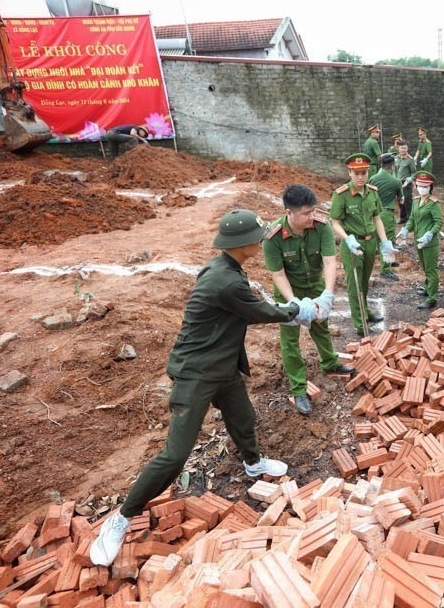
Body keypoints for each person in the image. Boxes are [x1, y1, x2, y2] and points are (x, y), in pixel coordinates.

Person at [89, 209, 306, 567]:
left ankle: (253, 463)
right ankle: (121, 518)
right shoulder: (226, 281)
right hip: (196, 373)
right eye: (258, 235)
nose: (262, 238)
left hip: (221, 367)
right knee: (175, 455)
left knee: (242, 416)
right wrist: (298, 309)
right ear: (243, 243)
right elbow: (262, 312)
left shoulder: (225, 267)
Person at [263, 186, 356, 414]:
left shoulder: (321, 227)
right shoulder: (272, 237)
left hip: (314, 285)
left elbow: (329, 262)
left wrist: (327, 295)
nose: (312, 216)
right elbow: (278, 275)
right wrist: (295, 304)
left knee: (321, 326)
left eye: (313, 211)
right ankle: (298, 387)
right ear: (289, 212)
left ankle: (330, 363)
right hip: (287, 290)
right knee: (290, 339)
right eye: (306, 213)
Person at [330, 153, 397, 337]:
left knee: (365, 282)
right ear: (349, 172)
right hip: (353, 245)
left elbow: (377, 218)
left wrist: (385, 242)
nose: (360, 177)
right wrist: (348, 239)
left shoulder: (372, 192)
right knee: (355, 285)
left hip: (370, 243)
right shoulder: (341, 194)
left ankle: (365, 312)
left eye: (364, 173)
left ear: (369, 173)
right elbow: (335, 222)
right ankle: (359, 323)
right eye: (356, 173)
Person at [396, 171, 444, 310]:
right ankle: (428, 289)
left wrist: (430, 234)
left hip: (429, 242)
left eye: (426, 186)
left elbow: (438, 222)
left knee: (431, 269)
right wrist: (405, 230)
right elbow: (412, 219)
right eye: (420, 185)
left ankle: (432, 298)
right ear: (416, 185)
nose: (423, 188)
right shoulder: (416, 200)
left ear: (430, 187)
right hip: (419, 240)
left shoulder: (434, 203)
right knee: (425, 267)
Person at [369, 154, 405, 281]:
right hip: (388, 214)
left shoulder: (372, 179)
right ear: (392, 167)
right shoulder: (396, 181)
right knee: (387, 240)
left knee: (377, 238)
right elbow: (401, 199)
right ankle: (385, 269)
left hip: (373, 213)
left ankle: (387, 261)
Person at [394, 141, 417, 224]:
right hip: (398, 182)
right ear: (398, 148)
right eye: (402, 148)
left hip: (406, 183)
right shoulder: (396, 158)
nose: (404, 150)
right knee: (400, 200)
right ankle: (403, 217)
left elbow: (414, 173)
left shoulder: (410, 160)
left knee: (408, 201)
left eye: (405, 148)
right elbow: (394, 170)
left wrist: (409, 180)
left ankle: (410, 219)